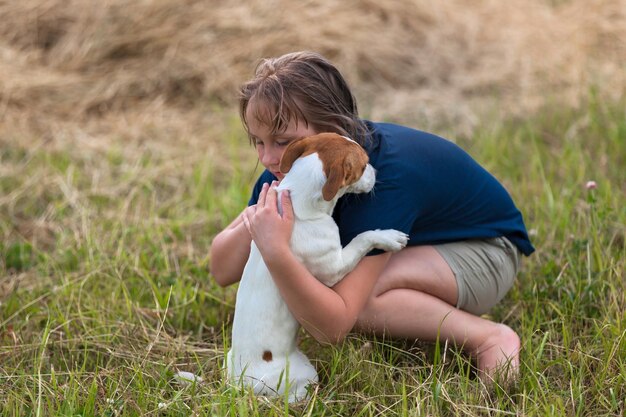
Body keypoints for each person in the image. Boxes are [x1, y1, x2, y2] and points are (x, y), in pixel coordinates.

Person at [210, 51, 535, 383]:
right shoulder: (292, 166)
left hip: (485, 251)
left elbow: (333, 328)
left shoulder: (382, 181)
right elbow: (222, 270)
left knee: (354, 300)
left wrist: (277, 252)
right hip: (419, 250)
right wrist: (255, 222)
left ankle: (488, 338)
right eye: (258, 142)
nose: (267, 157)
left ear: (332, 130)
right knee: (328, 279)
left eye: (282, 141)